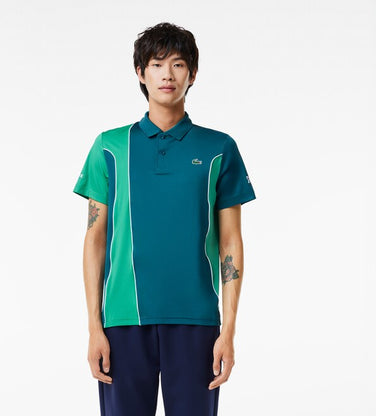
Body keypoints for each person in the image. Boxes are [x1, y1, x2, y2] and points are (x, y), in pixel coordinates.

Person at [73, 21, 256, 416]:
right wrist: (94, 326)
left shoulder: (219, 148)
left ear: (193, 73)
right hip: (122, 321)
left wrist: (228, 330)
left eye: (178, 64)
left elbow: (231, 241)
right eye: (157, 64)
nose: (167, 74)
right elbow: (95, 238)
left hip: (197, 322)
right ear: (141, 73)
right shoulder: (109, 147)